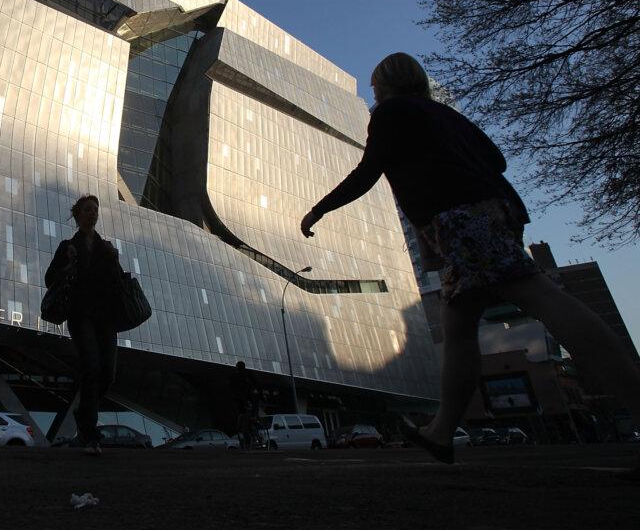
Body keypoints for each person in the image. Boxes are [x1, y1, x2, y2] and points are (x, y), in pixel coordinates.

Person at [300, 52, 640, 466]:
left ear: (384, 86)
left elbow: (368, 171)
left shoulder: (392, 112)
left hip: (463, 219)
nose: (374, 95)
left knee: (542, 298)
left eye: (374, 88)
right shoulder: (442, 114)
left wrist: (320, 209)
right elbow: (497, 159)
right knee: (458, 325)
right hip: (493, 211)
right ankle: (442, 432)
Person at [44, 194, 122, 456]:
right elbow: (49, 279)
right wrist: (67, 263)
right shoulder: (68, 246)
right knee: (91, 367)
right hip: (80, 316)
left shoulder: (107, 248)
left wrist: (114, 259)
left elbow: (117, 283)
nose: (93, 213)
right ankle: (90, 434)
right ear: (77, 215)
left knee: (107, 374)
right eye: (88, 209)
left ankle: (83, 412)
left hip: (106, 317)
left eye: (95, 209)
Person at [229, 360, 260, 449]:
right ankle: (251, 422)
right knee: (243, 417)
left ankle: (253, 419)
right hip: (243, 399)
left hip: (247, 398)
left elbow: (255, 385)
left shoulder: (246, 375)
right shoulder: (238, 376)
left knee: (248, 413)